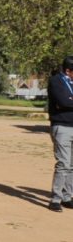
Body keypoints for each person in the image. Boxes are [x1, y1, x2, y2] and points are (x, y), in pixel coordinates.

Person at [47, 57, 73, 212]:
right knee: (63, 163)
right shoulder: (56, 81)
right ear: (68, 70)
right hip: (62, 126)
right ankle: (55, 199)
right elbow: (63, 101)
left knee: (72, 165)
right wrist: (68, 100)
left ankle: (67, 196)